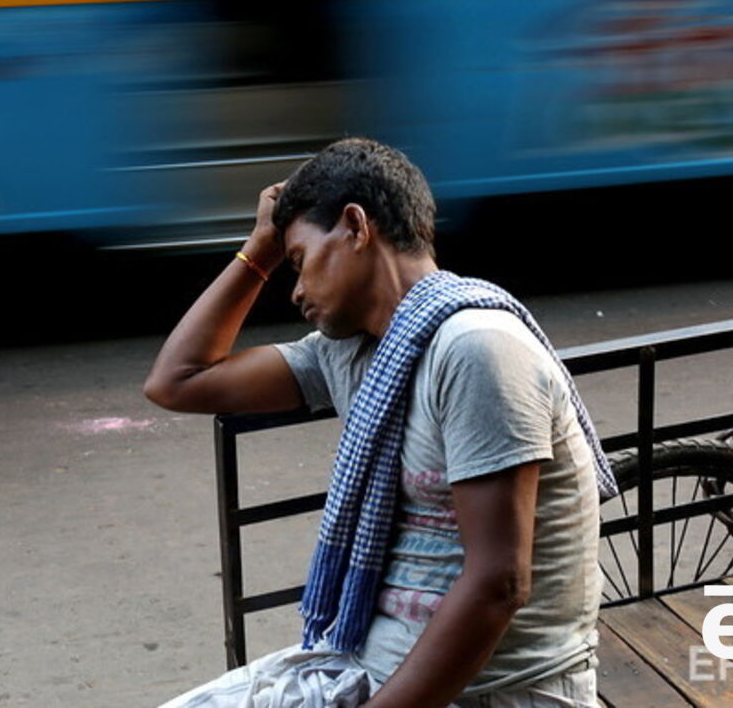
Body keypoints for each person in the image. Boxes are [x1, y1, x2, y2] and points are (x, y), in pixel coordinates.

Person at [142, 138, 617, 708]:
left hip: (498, 692)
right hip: (366, 667)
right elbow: (178, 380)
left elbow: (498, 585)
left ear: (355, 226)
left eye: (297, 262)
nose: (294, 290)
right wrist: (261, 249)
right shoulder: (353, 352)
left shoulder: (476, 350)